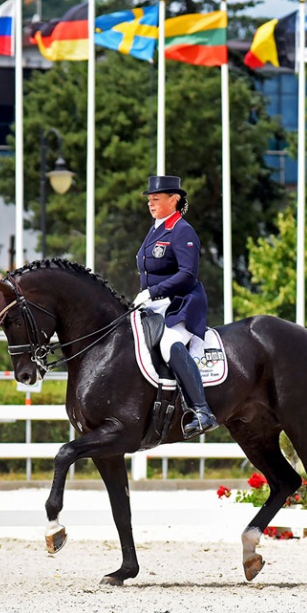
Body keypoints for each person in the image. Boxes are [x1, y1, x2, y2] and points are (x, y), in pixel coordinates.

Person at [133, 174, 218, 438]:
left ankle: (203, 412)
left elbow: (187, 275)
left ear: (174, 199)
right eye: (150, 199)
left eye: (156, 198)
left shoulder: (182, 231)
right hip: (154, 306)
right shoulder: (155, 229)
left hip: (181, 305)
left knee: (169, 344)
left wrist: (153, 291)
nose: (151, 203)